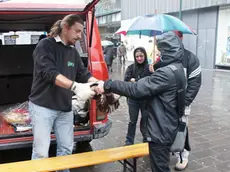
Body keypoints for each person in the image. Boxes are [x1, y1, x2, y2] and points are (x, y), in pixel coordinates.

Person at [94, 31, 186, 172]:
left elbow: (137, 89)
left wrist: (108, 85)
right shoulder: (178, 68)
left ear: (168, 51)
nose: (158, 55)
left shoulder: (166, 73)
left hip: (161, 130)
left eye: (161, 52)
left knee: (160, 168)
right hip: (168, 125)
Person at [29, 14, 99, 172]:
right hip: (42, 107)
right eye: (77, 31)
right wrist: (75, 87)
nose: (80, 36)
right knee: (40, 153)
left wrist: (96, 83)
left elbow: (82, 73)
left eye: (82, 32)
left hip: (64, 108)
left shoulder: (72, 52)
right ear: (66, 28)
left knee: (66, 149)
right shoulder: (45, 46)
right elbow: (49, 73)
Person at [174, 31, 202, 171]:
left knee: (181, 130)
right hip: (166, 104)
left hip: (182, 104)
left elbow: (195, 83)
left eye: (176, 37)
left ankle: (182, 157)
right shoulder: (164, 57)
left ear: (181, 38)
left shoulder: (191, 58)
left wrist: (185, 102)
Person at [124, 47, 153, 145]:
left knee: (145, 119)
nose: (139, 58)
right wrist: (132, 81)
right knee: (132, 121)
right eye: (137, 56)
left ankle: (146, 137)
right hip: (133, 99)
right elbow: (126, 82)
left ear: (145, 56)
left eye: (141, 56)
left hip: (145, 99)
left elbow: (153, 81)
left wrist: (153, 72)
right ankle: (129, 140)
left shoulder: (149, 68)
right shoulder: (131, 68)